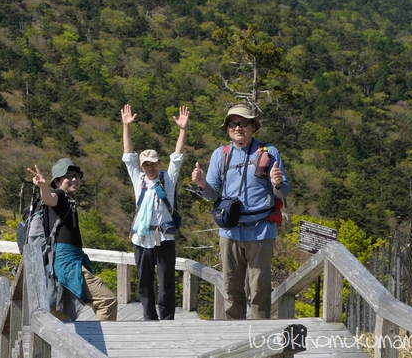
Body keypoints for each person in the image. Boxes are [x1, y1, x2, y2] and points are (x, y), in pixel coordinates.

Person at [191, 104, 290, 320]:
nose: (238, 127)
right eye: (233, 124)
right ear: (227, 129)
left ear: (253, 126)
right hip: (230, 231)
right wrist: (201, 184)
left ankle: (259, 338)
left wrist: (277, 182)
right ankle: (234, 336)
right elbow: (212, 194)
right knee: (231, 286)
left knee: (260, 287)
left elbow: (283, 192)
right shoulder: (221, 154)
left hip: (261, 230)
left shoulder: (269, 152)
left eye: (243, 123)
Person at [26, 158, 117, 321]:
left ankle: (62, 346)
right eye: (69, 175)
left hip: (67, 262)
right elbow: (50, 198)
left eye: (77, 175)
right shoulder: (60, 195)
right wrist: (43, 187)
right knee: (106, 300)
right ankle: (95, 345)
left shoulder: (69, 199)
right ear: (58, 180)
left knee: (60, 316)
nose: (75, 179)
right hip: (66, 263)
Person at [121, 104, 188, 321]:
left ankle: (167, 318)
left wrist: (182, 130)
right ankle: (149, 317)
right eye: (146, 164)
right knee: (144, 280)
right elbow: (128, 155)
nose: (149, 167)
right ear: (142, 167)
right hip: (142, 236)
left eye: (153, 163)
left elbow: (177, 157)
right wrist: (126, 126)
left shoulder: (167, 179)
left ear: (159, 163)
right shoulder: (138, 180)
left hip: (164, 236)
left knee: (167, 280)